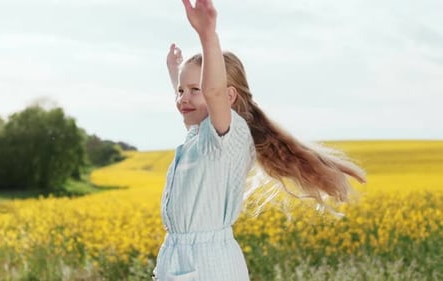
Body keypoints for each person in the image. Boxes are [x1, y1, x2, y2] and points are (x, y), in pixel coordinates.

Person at [153, 0, 367, 280]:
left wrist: (207, 35)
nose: (182, 98)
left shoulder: (226, 138)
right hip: (184, 260)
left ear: (228, 97)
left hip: (207, 265)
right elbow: (200, 100)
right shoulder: (201, 138)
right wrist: (176, 73)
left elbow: (212, 93)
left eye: (194, 89)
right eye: (180, 90)